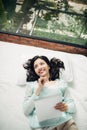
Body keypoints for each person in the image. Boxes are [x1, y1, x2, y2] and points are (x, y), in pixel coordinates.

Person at [23, 55, 78, 130]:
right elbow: (26, 111)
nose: (39, 67)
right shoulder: (31, 86)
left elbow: (73, 107)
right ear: (35, 71)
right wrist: (39, 89)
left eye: (42, 64)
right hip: (43, 127)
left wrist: (66, 107)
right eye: (36, 66)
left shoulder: (61, 83)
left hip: (65, 123)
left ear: (48, 66)